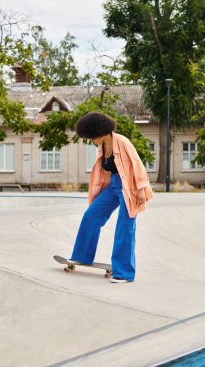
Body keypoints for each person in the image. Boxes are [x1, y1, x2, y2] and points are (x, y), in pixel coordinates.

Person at [68, 112, 154, 283]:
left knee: (124, 227)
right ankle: (82, 256)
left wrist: (141, 188)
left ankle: (123, 273)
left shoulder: (122, 142)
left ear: (100, 132)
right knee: (91, 215)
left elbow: (137, 165)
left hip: (128, 187)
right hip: (113, 186)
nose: (92, 141)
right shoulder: (101, 147)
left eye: (92, 137)